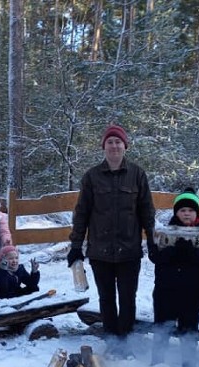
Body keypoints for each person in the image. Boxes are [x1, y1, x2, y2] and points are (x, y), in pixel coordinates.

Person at [67, 124, 156, 343]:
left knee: (127, 299)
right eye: (110, 142)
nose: (114, 146)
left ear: (125, 146)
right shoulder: (92, 177)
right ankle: (111, 341)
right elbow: (82, 213)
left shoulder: (137, 174)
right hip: (100, 251)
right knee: (106, 299)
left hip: (129, 250)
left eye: (118, 142)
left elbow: (147, 210)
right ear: (104, 147)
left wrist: (152, 239)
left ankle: (125, 342)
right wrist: (76, 246)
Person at [148, 188, 199, 367]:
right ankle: (157, 360)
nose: (186, 213)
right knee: (162, 326)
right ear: (176, 212)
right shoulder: (165, 232)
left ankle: (189, 363)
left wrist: (192, 253)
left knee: (189, 327)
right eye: (182, 210)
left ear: (196, 213)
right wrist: (173, 251)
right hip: (166, 289)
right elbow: (155, 256)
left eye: (190, 210)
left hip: (193, 291)